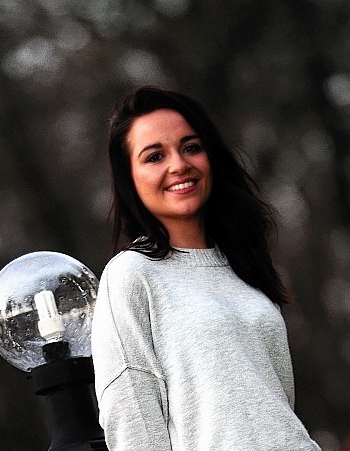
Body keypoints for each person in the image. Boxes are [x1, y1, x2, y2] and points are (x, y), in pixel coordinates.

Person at [91, 86, 321, 450]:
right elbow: (131, 419)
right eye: (154, 156)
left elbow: (277, 408)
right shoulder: (131, 276)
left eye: (191, 147)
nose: (179, 165)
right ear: (129, 179)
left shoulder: (245, 269)